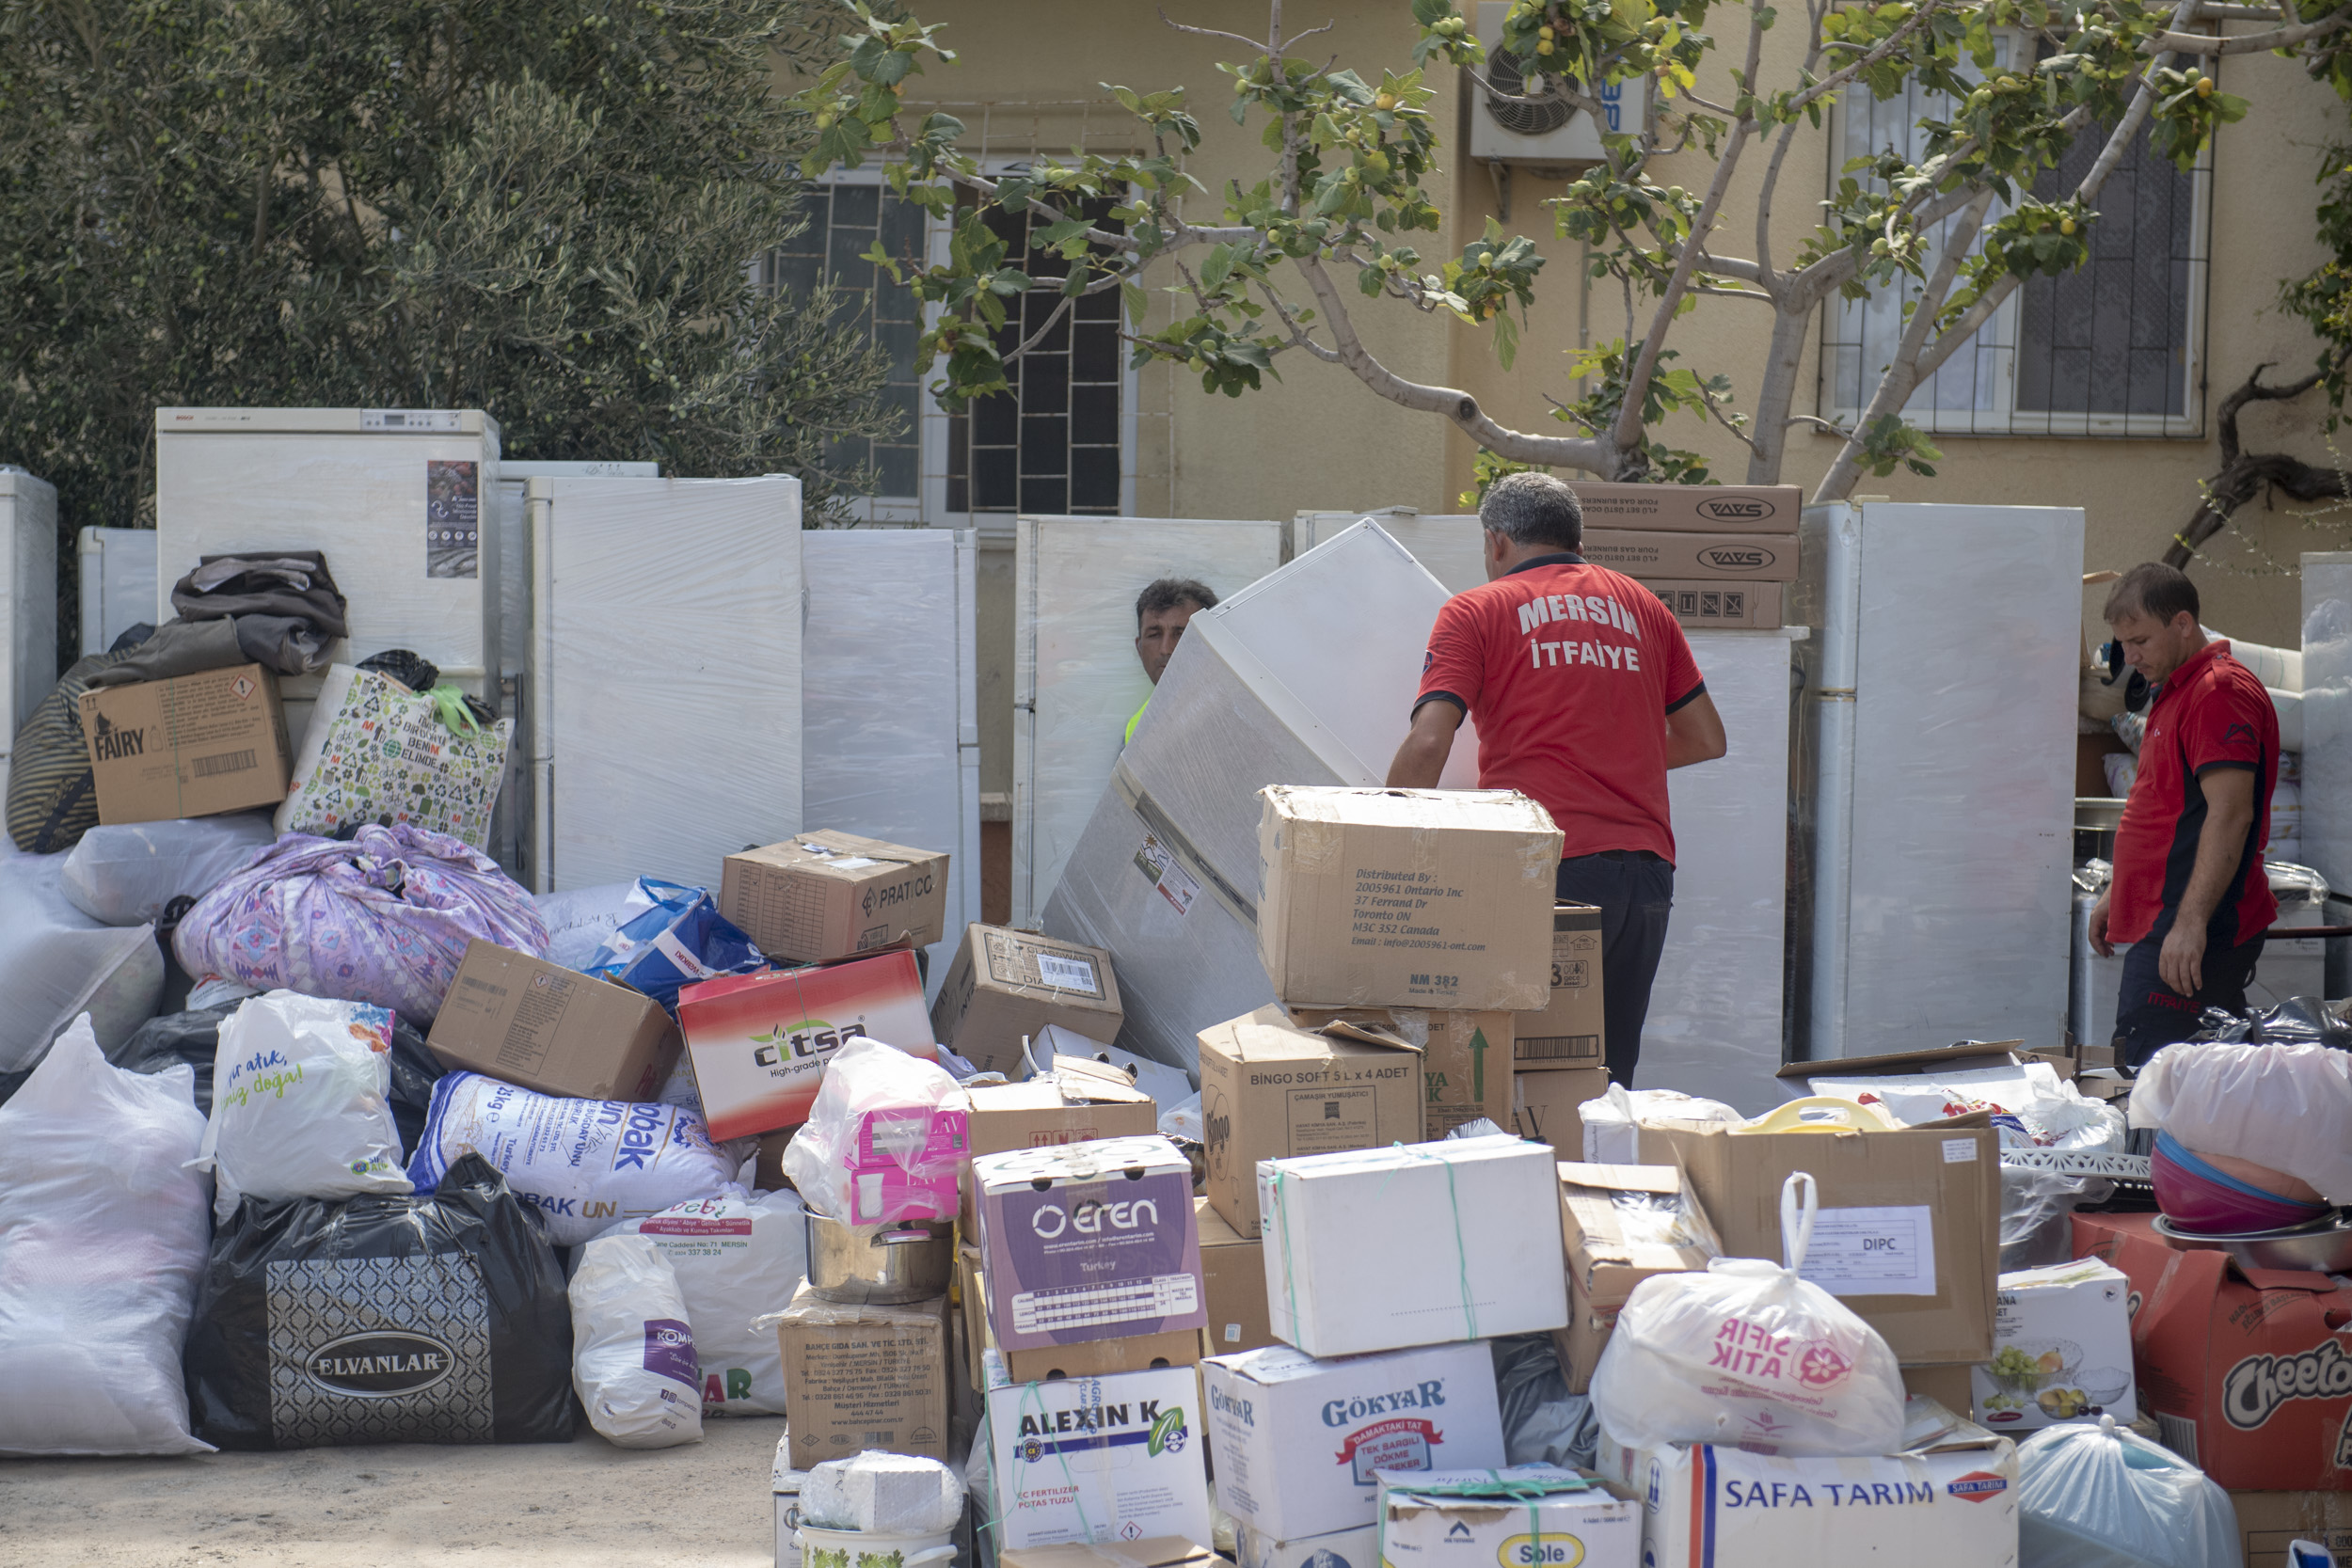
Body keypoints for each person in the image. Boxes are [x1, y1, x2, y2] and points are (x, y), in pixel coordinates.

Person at [1386, 471, 1726, 1086]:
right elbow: (1707, 737)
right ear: (1575, 535)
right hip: (1645, 873)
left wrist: (1381, 838)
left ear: (1496, 542)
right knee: (1605, 1074)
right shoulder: (1644, 607)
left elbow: (1430, 740)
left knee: (1521, 1076)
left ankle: (1531, 1183)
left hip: (1547, 868)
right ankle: (1601, 1179)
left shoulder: (1477, 609)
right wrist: (1617, 757)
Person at [2088, 562, 2278, 1069]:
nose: (2130, 656)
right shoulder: (2175, 689)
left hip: (2195, 921)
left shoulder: (2218, 693)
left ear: (2184, 624)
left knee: (2154, 1078)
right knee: (2189, 1073)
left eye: (2141, 640)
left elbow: (2231, 814)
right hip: (2165, 913)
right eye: (2122, 643)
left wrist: (2190, 924)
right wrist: (2119, 888)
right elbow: (2162, 803)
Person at [1126, 578, 1218, 745]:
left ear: (1211, 644)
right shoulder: (1137, 725)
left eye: (1181, 634)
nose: (1165, 649)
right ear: (1139, 648)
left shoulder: (1237, 713)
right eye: (1154, 635)